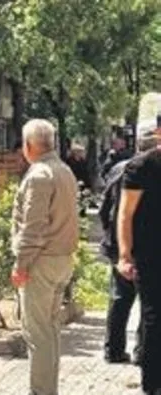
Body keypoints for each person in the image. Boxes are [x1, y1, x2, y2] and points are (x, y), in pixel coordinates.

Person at [10, 119, 79, 395]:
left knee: (38, 334)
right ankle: (47, 389)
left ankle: (41, 391)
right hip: (62, 259)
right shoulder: (64, 171)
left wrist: (21, 264)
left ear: (28, 146)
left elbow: (33, 225)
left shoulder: (39, 175)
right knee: (49, 331)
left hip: (42, 260)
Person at [98, 128, 157, 365]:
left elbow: (105, 209)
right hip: (141, 245)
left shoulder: (117, 169)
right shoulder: (142, 172)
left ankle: (113, 349)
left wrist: (110, 237)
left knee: (120, 297)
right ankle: (142, 351)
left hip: (117, 243)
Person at [116, 117, 161, 395]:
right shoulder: (141, 167)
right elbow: (125, 213)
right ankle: (153, 383)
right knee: (154, 317)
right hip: (150, 253)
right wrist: (124, 254)